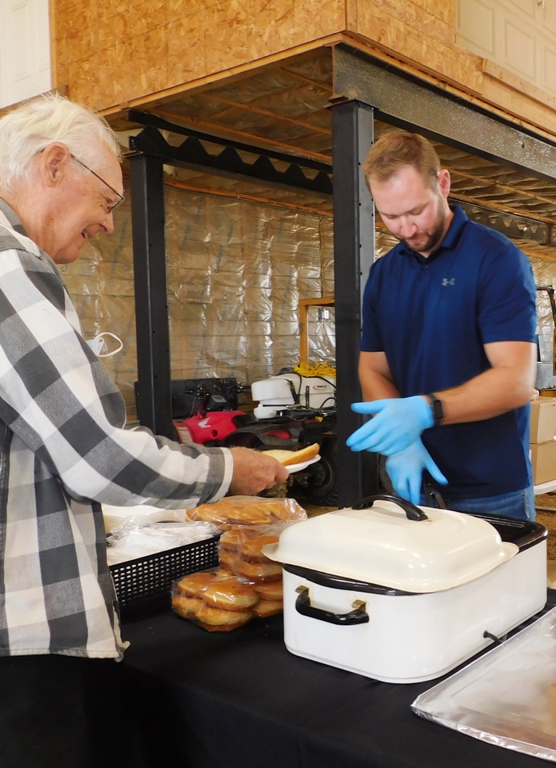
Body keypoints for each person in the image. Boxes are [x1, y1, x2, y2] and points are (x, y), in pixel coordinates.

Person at [0, 93, 289, 766]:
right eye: (106, 199)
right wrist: (229, 469)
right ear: (52, 164)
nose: (107, 224)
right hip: (19, 639)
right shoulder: (10, 267)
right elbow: (98, 457)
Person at [346, 130, 538, 519]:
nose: (406, 229)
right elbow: (374, 368)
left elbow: (516, 381)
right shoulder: (384, 274)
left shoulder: (496, 260)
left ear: (443, 184)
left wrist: (425, 410)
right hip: (414, 482)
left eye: (416, 211)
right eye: (390, 217)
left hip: (490, 488)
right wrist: (401, 443)